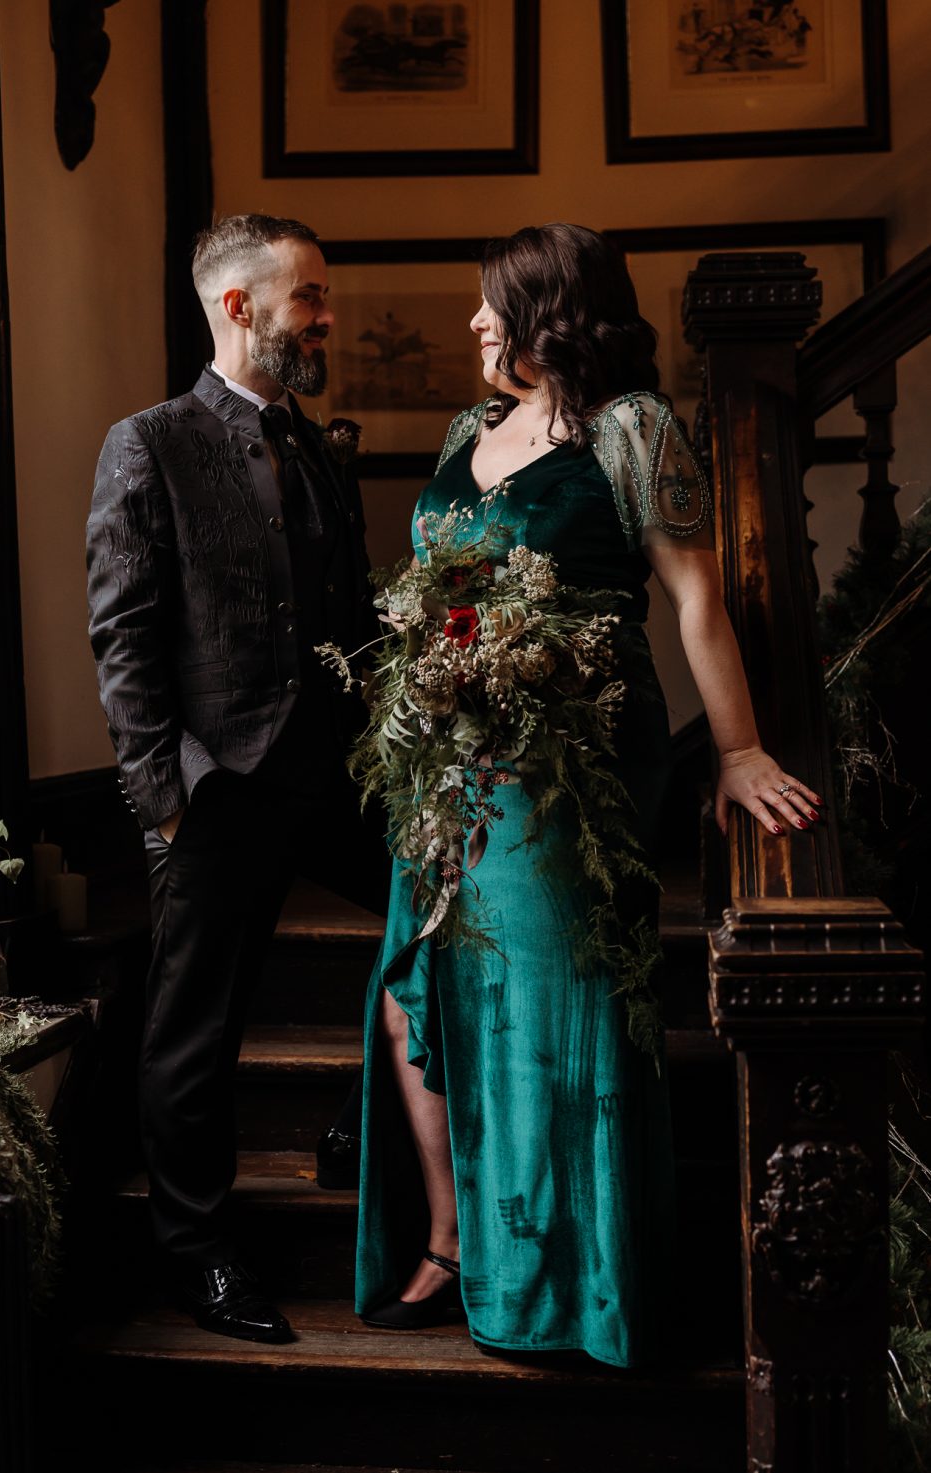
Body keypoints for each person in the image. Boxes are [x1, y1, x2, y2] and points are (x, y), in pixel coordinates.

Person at [354, 223, 822, 1364]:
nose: (472, 323)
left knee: (546, 1008)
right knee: (411, 994)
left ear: (551, 311)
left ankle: (572, 1282)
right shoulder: (471, 429)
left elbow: (695, 603)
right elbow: (434, 591)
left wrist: (740, 750)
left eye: (490, 304)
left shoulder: (630, 429)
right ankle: (455, 1238)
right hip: (447, 762)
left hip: (570, 765)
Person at [86, 214, 389, 1344]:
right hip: (216, 785)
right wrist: (163, 794)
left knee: (447, 917)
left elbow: (349, 622)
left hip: (335, 772)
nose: (324, 315)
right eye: (307, 295)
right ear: (238, 307)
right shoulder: (149, 443)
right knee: (193, 1033)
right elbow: (123, 635)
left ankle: (364, 1125)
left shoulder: (319, 446)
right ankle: (198, 1255)